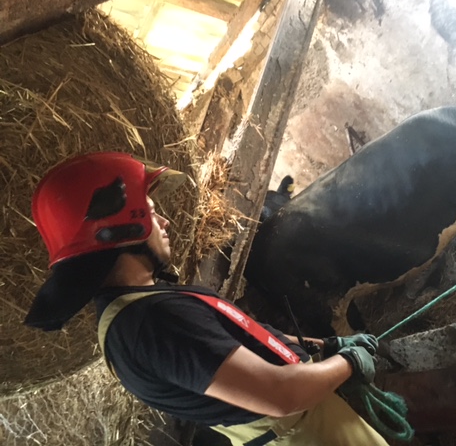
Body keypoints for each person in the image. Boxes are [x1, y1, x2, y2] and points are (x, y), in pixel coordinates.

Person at [24, 151, 389, 446]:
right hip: (304, 432)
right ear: (119, 229)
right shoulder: (153, 323)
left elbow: (246, 338)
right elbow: (281, 396)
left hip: (307, 420)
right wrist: (349, 362)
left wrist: (325, 346)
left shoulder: (139, 309)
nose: (164, 222)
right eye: (151, 212)